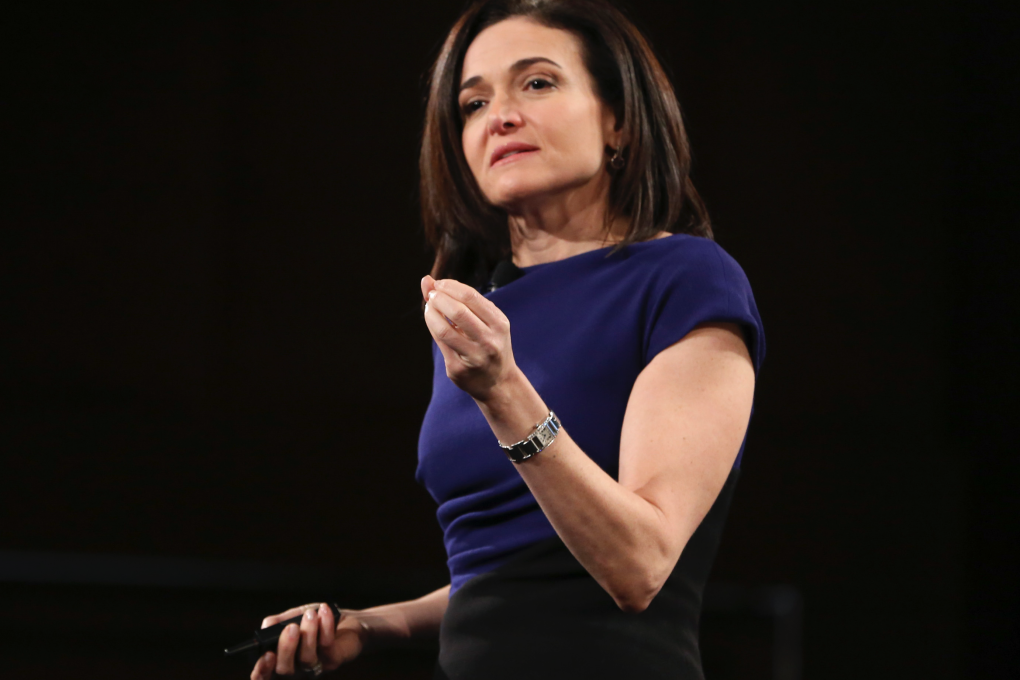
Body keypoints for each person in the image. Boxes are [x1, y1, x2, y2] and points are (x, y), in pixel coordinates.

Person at [251, 1, 764, 678]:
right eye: (472, 103)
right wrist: (370, 626)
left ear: (618, 119)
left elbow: (639, 565)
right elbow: (509, 577)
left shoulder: (688, 280)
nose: (501, 116)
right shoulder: (483, 313)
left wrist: (504, 393)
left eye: (539, 83)